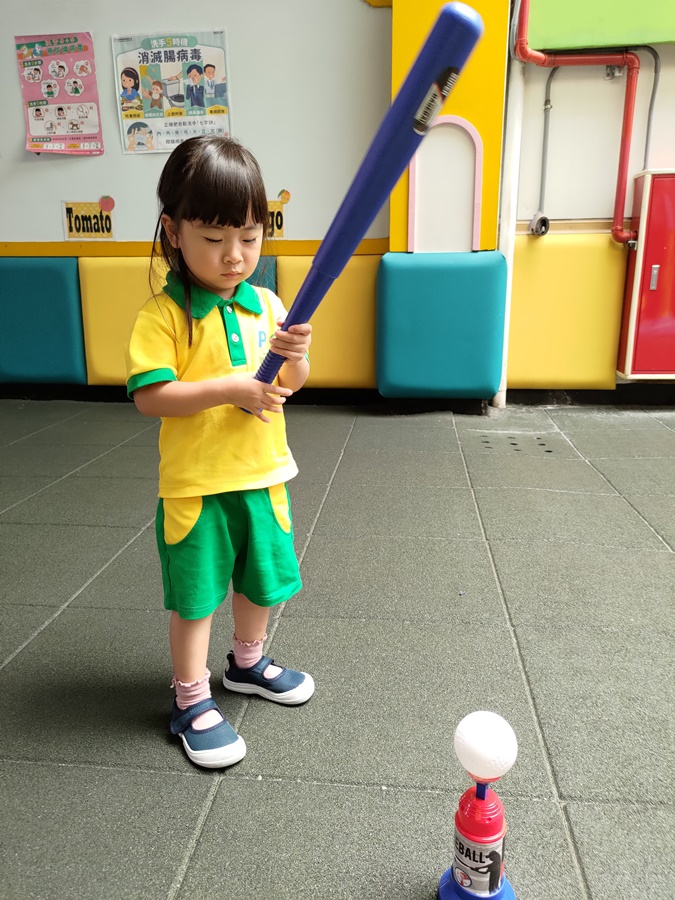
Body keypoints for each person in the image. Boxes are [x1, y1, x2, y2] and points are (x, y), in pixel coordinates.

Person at [126, 136, 314, 770]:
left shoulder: (267, 304)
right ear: (173, 232)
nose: (235, 255)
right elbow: (151, 396)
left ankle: (246, 663)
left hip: (263, 475)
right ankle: (190, 698)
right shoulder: (165, 315)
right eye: (213, 238)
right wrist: (230, 388)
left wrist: (296, 358)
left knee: (261, 582)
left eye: (250, 237)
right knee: (197, 596)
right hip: (196, 486)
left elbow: (290, 383)